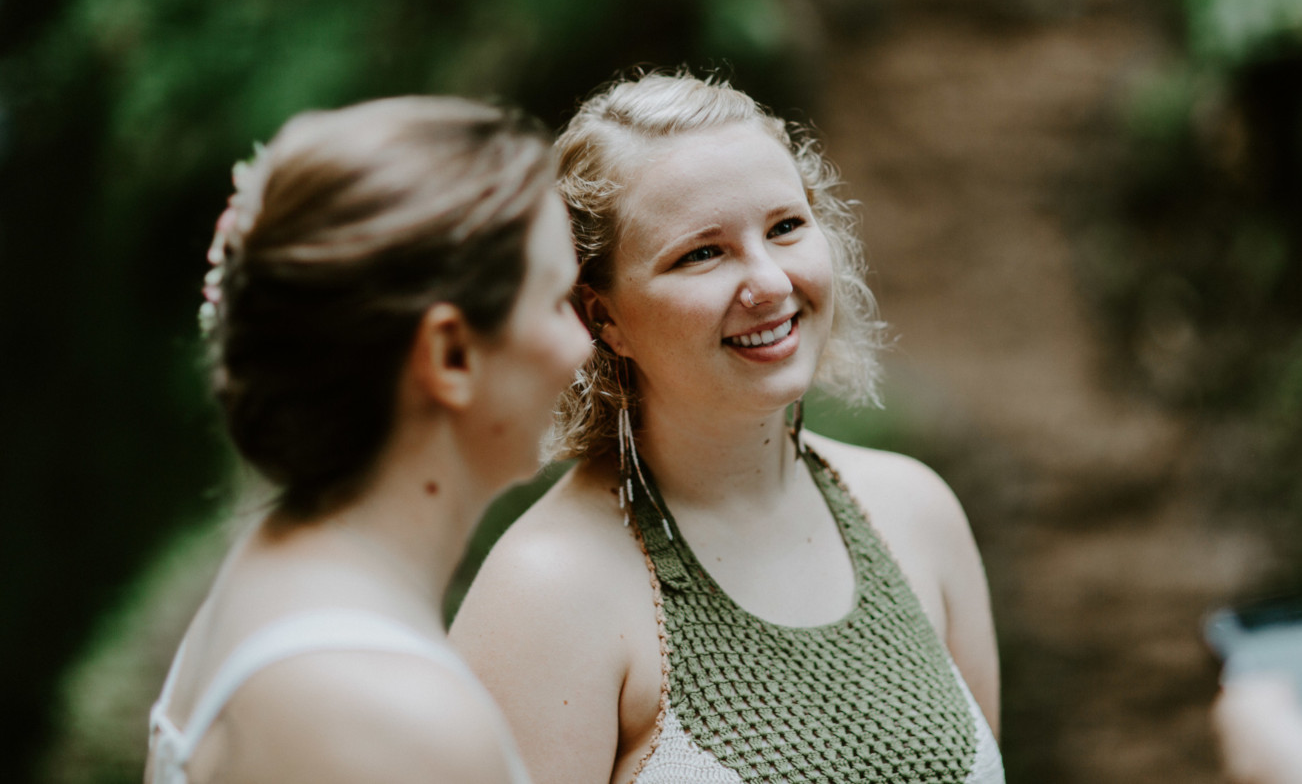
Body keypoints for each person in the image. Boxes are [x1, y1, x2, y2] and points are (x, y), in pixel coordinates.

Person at [451, 71, 1004, 784]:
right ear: (601, 317)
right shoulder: (546, 593)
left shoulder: (917, 512)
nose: (770, 282)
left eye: (785, 227)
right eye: (702, 253)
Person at [145, 96, 592, 784]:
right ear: (451, 356)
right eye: (558, 300)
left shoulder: (264, 580)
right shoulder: (391, 721)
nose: (582, 345)